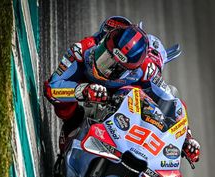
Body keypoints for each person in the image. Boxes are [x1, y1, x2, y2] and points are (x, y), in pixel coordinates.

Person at [44, 16, 200, 164]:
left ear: (131, 70)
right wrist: (82, 90)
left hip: (122, 96)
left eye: (116, 68)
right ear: (103, 42)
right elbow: (51, 88)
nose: (104, 68)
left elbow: (173, 102)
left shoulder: (147, 71)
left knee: (160, 107)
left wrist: (187, 138)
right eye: (105, 56)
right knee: (61, 103)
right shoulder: (82, 49)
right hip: (85, 84)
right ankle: (72, 122)